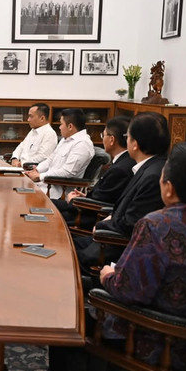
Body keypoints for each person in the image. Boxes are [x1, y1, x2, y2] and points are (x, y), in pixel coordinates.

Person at [50, 143, 186, 371]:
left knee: (68, 313)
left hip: (161, 339)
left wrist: (107, 276)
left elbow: (128, 291)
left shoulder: (157, 225)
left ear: (169, 188)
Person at [75, 112, 170, 268]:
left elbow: (132, 224)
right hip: (106, 238)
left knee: (61, 255)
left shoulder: (153, 177)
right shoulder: (148, 167)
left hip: (113, 249)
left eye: (128, 137)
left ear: (134, 144)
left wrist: (101, 226)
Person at [52, 116, 135, 229]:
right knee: (44, 203)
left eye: (103, 135)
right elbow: (104, 196)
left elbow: (105, 203)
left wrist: (74, 201)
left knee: (45, 214)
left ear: (112, 140)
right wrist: (85, 197)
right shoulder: (124, 161)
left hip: (86, 216)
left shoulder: (120, 169)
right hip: (85, 205)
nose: (102, 139)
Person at [24, 108, 94, 199]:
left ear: (70, 126)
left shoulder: (83, 144)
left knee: (21, 197)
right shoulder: (66, 139)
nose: (59, 127)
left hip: (58, 193)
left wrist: (40, 176)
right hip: (46, 185)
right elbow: (50, 160)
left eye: (61, 124)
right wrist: (37, 170)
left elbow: (68, 172)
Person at [9, 103, 57, 167]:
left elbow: (43, 157)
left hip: (32, 171)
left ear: (42, 118)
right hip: (22, 168)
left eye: (31, 116)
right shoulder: (33, 131)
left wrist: (22, 163)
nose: (28, 119)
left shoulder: (49, 134)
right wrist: (14, 158)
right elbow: (21, 147)